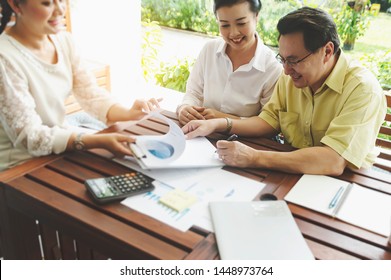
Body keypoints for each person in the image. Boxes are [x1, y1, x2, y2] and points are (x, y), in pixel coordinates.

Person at [182, 7, 387, 175]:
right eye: (283, 59)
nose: (286, 70)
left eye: (294, 60)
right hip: (292, 170)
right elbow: (268, 121)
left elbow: (333, 160)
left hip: (347, 183)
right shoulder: (292, 77)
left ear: (327, 51)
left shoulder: (362, 90)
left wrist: (254, 157)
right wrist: (218, 124)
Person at [0, 0, 161, 171]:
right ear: (16, 5)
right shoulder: (5, 57)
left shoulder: (64, 41)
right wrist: (94, 140)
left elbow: (90, 93)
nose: (59, 10)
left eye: (61, 0)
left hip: (60, 150)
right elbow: (30, 136)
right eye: (46, 3)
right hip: (18, 167)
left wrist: (128, 113)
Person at [176, 0, 282, 125]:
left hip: (243, 141)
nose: (234, 33)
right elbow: (194, 94)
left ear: (256, 16)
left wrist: (221, 119)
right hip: (200, 134)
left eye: (241, 23)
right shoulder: (209, 50)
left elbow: (267, 123)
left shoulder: (272, 68)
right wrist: (185, 108)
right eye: (225, 25)